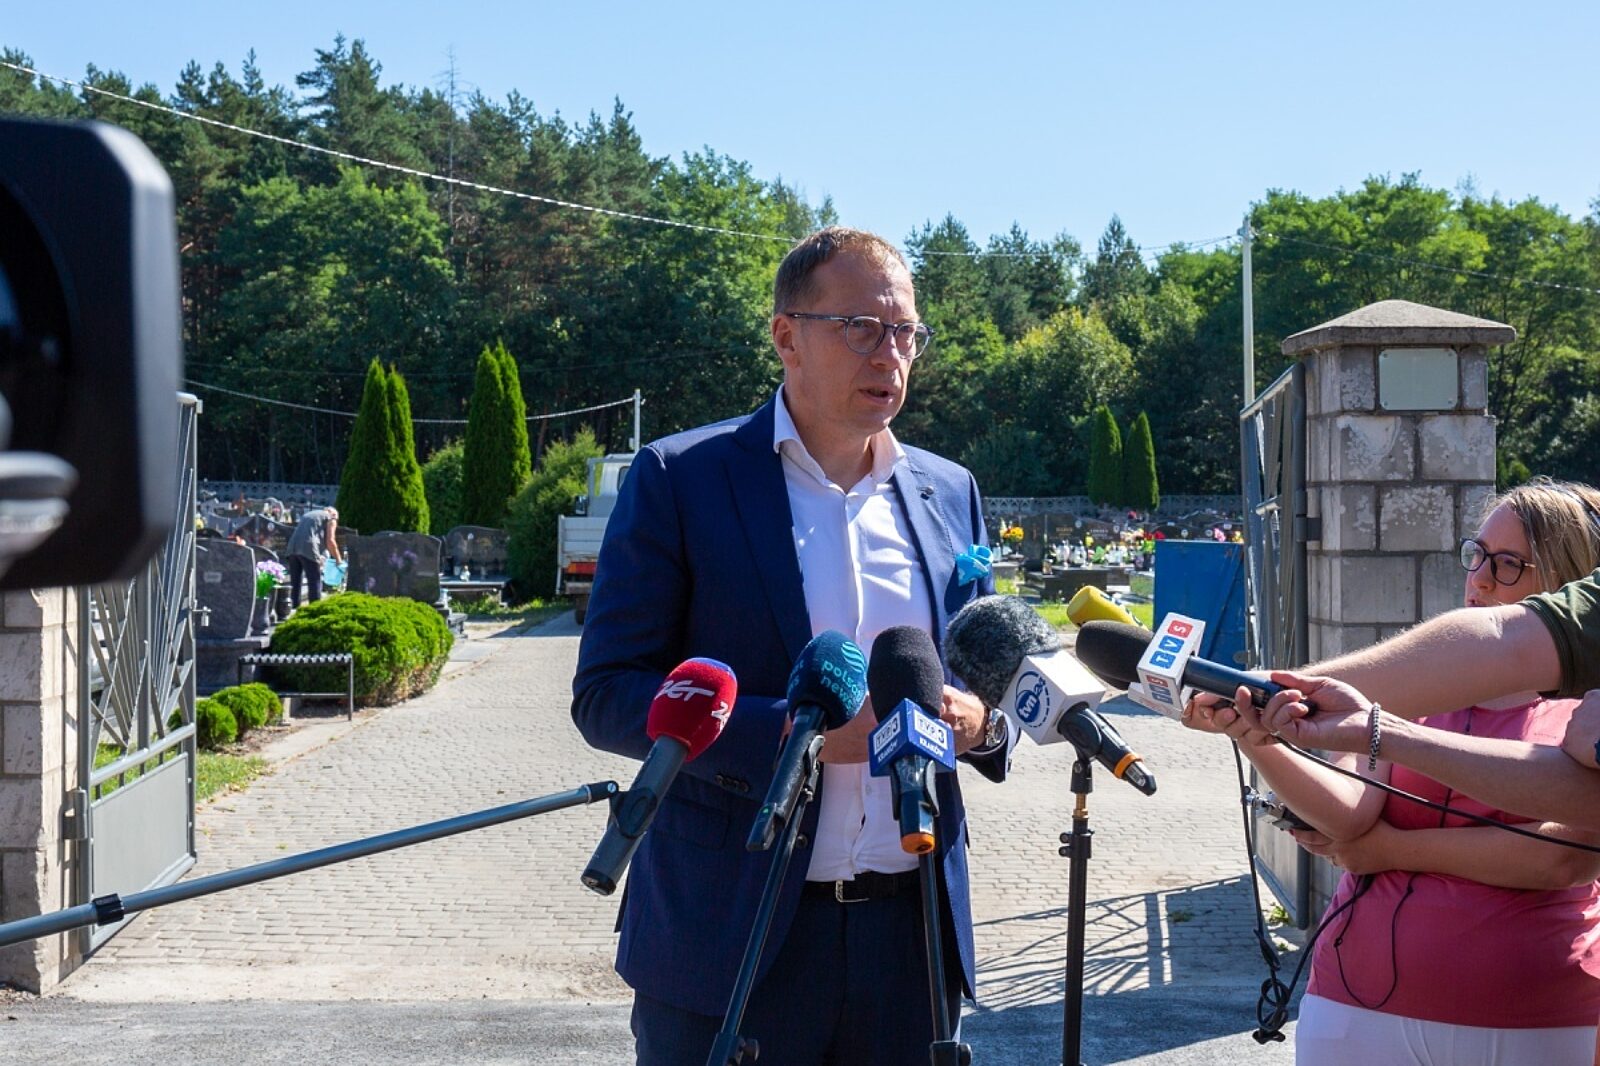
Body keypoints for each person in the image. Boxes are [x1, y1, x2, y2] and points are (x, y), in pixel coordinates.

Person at [571, 227, 1012, 1066]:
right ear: (786, 336)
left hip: (911, 941)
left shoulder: (950, 491)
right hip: (729, 936)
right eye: (862, 327)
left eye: (906, 332)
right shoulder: (680, 478)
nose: (890, 353)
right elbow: (608, 692)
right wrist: (792, 737)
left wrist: (983, 724)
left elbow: (987, 666)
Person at [1189, 479, 1600, 1064]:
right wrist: (1255, 735)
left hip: (1533, 1013)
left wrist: (1391, 850)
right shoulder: (1421, 678)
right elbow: (1349, 816)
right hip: (1358, 998)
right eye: (1477, 554)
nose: (1480, 579)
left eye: (1509, 564)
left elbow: (1564, 857)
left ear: (1569, 582)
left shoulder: (1587, 709)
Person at [285, 505, 342, 608]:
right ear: (333, 514)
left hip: (292, 547)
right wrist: (338, 559)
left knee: (295, 582)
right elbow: (330, 541)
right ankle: (315, 609)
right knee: (314, 580)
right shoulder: (331, 518)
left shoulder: (310, 514)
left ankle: (294, 608)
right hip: (308, 547)